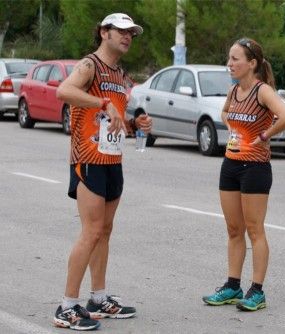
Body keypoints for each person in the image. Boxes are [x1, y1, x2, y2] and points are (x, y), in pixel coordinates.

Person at [53, 13, 152, 330]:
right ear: (104, 33)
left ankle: (98, 298)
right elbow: (64, 92)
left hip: (113, 160)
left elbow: (117, 120)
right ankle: (67, 305)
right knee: (91, 231)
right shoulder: (90, 65)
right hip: (88, 158)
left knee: (105, 231)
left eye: (131, 33)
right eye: (121, 31)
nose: (127, 37)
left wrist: (138, 125)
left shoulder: (122, 74)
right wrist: (101, 102)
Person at [202, 38, 285, 311]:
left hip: (255, 168)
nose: (229, 64)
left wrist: (264, 135)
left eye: (235, 59)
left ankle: (257, 291)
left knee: (254, 230)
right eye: (229, 58)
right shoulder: (233, 92)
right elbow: (225, 113)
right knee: (233, 229)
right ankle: (232, 286)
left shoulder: (262, 91)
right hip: (230, 164)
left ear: (251, 63)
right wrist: (236, 129)